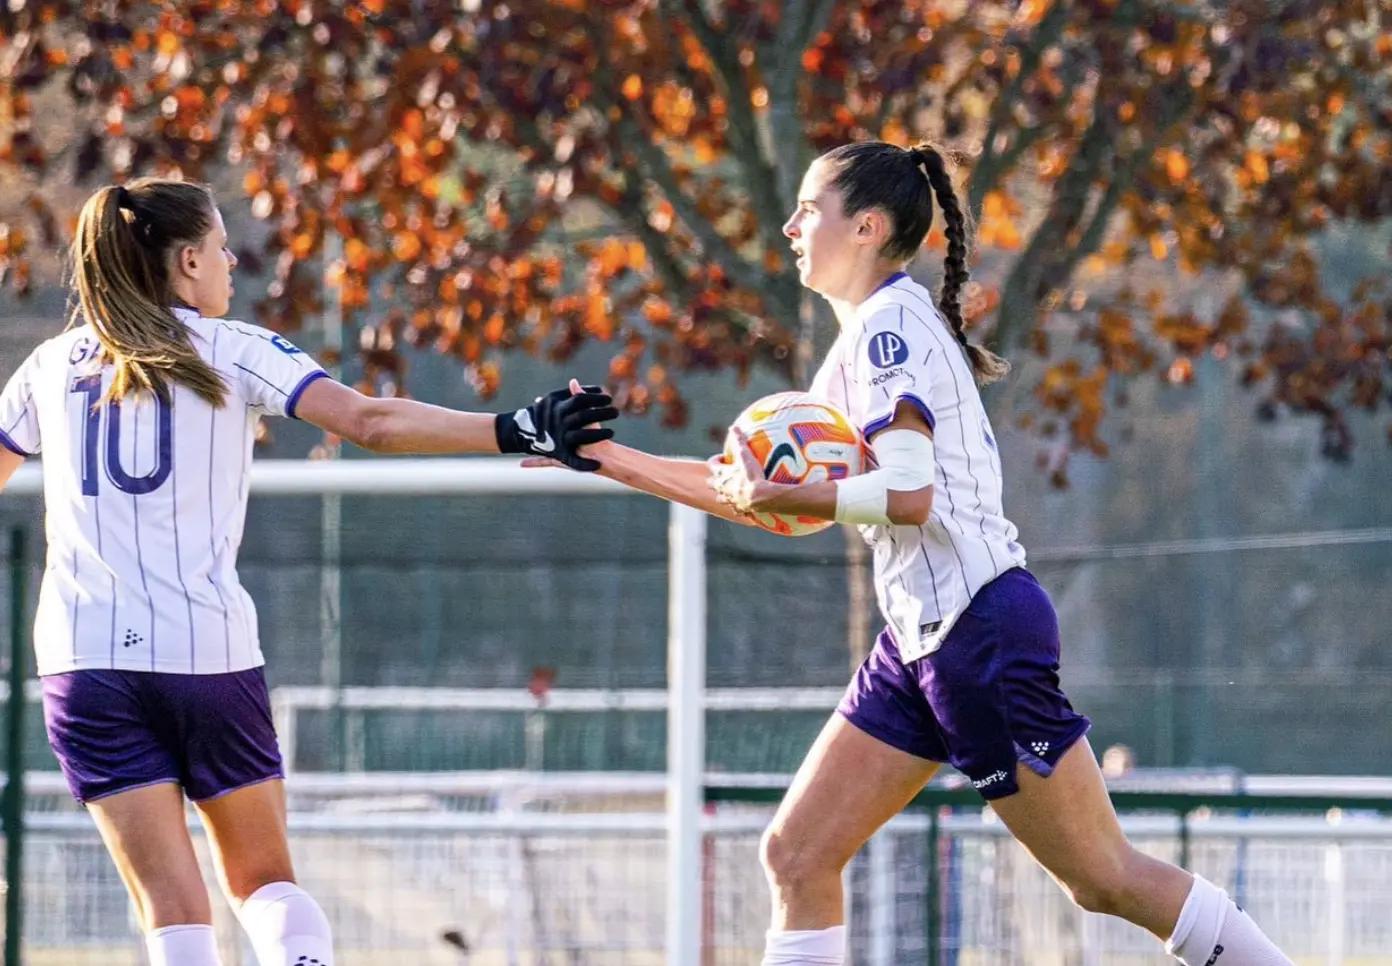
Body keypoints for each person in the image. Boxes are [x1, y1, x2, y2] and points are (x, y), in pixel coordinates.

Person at [538, 142, 1291, 965]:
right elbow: (743, 486)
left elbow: (906, 495)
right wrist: (613, 460)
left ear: (865, 226)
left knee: (1104, 878)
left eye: (807, 209)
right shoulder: (856, 346)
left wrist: (793, 496)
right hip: (920, 644)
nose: (789, 226)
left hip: (980, 632)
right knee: (797, 854)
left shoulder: (889, 332)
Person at [0, 177, 616, 966]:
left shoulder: (48, 368)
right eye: (223, 249)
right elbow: (371, 421)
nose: (230, 265)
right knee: (263, 885)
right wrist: (515, 428)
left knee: (170, 910)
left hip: (84, 664)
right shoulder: (231, 348)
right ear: (188, 261)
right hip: (205, 654)